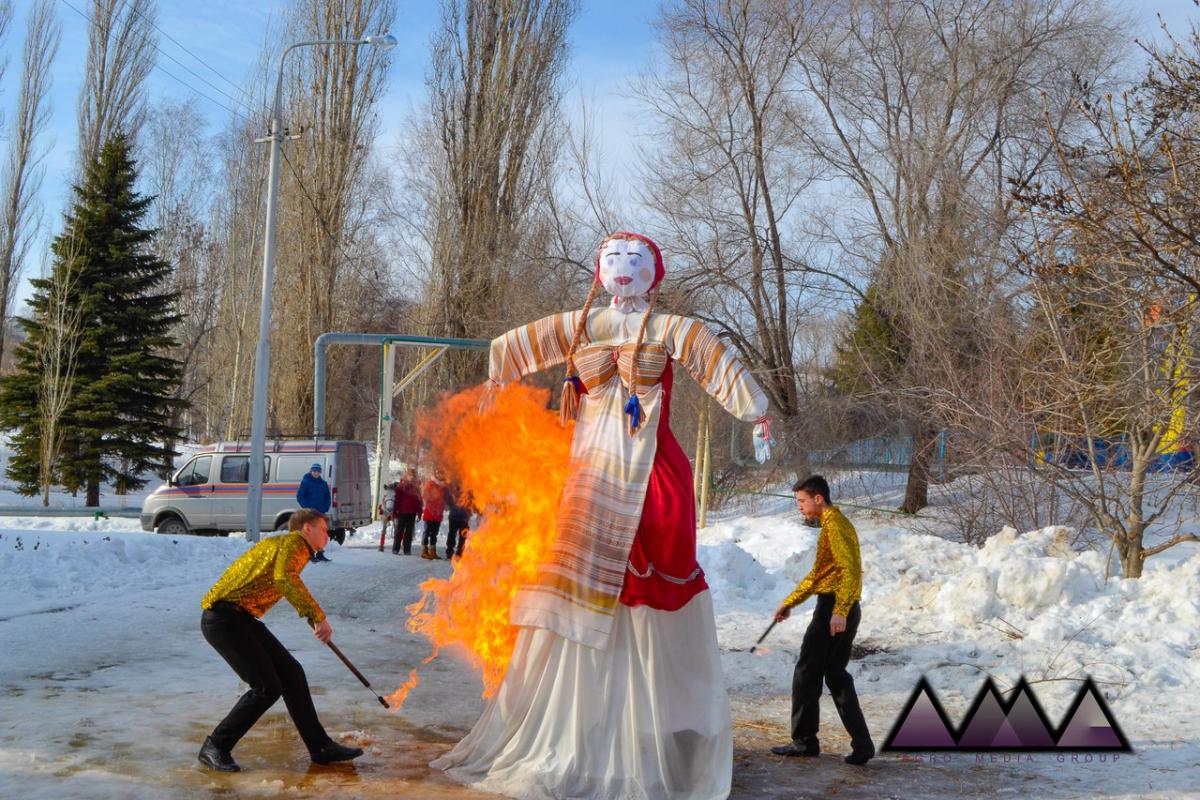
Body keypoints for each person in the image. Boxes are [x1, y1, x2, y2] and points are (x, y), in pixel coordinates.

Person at [432, 232, 771, 800]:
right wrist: (497, 379)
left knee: (645, 595)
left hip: (651, 472)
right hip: (591, 472)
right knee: (580, 590)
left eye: (634, 261)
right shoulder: (582, 324)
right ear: (599, 270)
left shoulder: (668, 329)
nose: (622, 268)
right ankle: (583, 732)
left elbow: (716, 360)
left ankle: (650, 734)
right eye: (613, 259)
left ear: (653, 274)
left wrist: (755, 411)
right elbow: (515, 345)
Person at [197, 508, 364, 772]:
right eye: (323, 528)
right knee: (266, 687)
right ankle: (216, 746)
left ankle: (320, 747)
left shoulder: (284, 545)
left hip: (238, 617)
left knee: (292, 675)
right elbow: (284, 578)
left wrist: (312, 616)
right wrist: (317, 616)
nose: (327, 535)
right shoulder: (295, 544)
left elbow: (282, 579)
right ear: (306, 528)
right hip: (224, 619)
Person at [770, 475, 874, 766]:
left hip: (834, 609)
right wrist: (790, 602)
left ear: (818, 499)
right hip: (838, 606)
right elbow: (819, 575)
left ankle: (804, 741)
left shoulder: (836, 526)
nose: (799, 507)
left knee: (807, 672)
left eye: (802, 501)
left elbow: (849, 570)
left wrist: (839, 609)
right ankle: (862, 746)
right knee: (835, 675)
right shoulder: (832, 524)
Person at [296, 463, 332, 563]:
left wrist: (326, 507)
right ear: (311, 471)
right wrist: (307, 508)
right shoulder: (306, 482)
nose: (316, 473)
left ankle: (320, 554)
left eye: (317, 471)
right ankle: (310, 554)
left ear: (320, 472)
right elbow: (300, 497)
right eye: (314, 471)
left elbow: (327, 497)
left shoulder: (323, 484)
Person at [393, 467, 423, 555]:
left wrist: (419, 512)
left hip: (412, 512)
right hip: (402, 512)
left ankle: (407, 549)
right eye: (410, 475)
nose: (411, 477)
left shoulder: (416, 487)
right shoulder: (401, 486)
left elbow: (419, 501)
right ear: (407, 475)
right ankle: (396, 548)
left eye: (413, 475)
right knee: (399, 531)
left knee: (409, 532)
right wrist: (395, 511)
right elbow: (397, 499)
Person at [421, 469, 447, 560]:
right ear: (436, 474)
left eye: (442, 473)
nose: (440, 475)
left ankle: (433, 551)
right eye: (439, 473)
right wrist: (434, 499)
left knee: (434, 533)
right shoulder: (430, 483)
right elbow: (425, 495)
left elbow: (446, 498)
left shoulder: (443, 486)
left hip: (438, 513)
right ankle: (424, 551)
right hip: (430, 512)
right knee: (427, 531)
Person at [444, 483, 472, 560]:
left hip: (462, 517)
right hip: (455, 516)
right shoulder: (452, 491)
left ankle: (458, 552)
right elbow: (447, 501)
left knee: (461, 536)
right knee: (453, 535)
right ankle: (451, 552)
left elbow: (471, 502)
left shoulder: (467, 491)